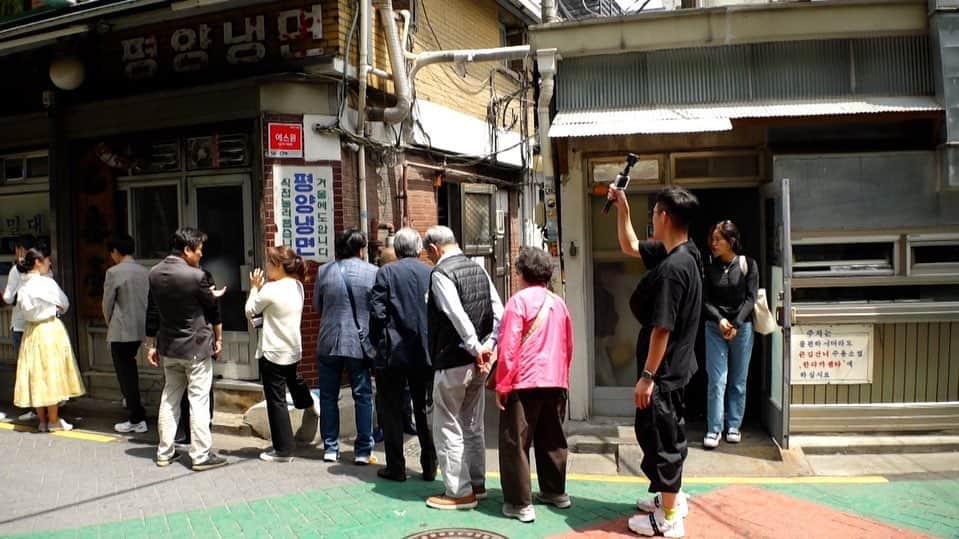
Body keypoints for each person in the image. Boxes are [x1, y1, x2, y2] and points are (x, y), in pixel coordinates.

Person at [607, 186, 702, 537]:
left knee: (661, 439)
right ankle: (669, 499)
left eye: (653, 214)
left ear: (663, 216)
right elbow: (630, 246)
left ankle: (669, 518)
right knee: (666, 434)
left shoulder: (673, 269)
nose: (650, 221)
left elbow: (662, 328)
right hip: (675, 369)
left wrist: (647, 376)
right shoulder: (683, 253)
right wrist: (623, 209)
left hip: (663, 373)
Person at [423, 225, 503, 511]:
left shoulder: (441, 274)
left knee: (447, 424)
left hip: (454, 359)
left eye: (428, 253)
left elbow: (455, 313)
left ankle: (458, 492)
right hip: (480, 362)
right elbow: (499, 311)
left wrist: (475, 346)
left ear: (434, 249)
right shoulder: (478, 269)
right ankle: (477, 483)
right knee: (472, 423)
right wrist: (489, 346)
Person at [494, 247, 574, 523]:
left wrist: (502, 385)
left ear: (521, 273)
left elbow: (508, 349)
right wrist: (563, 377)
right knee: (552, 437)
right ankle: (555, 492)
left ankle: (520, 503)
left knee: (515, 442)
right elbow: (568, 345)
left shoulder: (517, 303)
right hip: (555, 380)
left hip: (523, 382)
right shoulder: (558, 303)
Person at [146, 227, 227, 471]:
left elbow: (151, 311)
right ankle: (201, 455)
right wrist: (219, 338)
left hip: (169, 347)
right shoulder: (196, 276)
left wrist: (150, 344)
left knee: (170, 398)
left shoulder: (154, 273)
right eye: (199, 250)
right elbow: (212, 310)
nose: (201, 254)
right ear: (186, 250)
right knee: (198, 400)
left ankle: (164, 451)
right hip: (195, 347)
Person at [369, 228, 437, 482]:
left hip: (393, 351)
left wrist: (377, 341)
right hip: (424, 350)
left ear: (396, 250)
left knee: (391, 408)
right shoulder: (431, 273)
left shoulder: (386, 272)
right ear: (420, 249)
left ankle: (396, 466)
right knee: (424, 408)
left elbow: (376, 313)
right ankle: (429, 465)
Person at [245, 245, 318, 463]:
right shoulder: (297, 286)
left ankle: (283, 450)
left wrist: (254, 288)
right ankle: (310, 405)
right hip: (292, 347)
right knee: (294, 379)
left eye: (269, 262)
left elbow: (250, 310)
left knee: (275, 400)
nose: (266, 266)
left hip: (272, 350)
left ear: (278, 265)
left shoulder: (270, 289)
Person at [313, 228, 378, 464]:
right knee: (362, 395)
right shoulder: (373, 272)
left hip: (328, 340)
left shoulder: (324, 271)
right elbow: (377, 309)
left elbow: (317, 306)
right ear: (361, 250)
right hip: (359, 343)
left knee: (328, 396)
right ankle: (363, 450)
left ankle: (330, 447)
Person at [13, 246, 86, 432]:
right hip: (50, 328)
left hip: (31, 331)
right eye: (47, 260)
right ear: (38, 262)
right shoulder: (47, 284)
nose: (49, 263)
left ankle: (43, 420)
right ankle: (54, 420)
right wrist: (56, 309)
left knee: (36, 374)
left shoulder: (23, 286)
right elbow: (65, 303)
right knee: (52, 373)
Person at [702, 220, 758, 449]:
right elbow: (704, 300)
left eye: (718, 239)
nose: (713, 244)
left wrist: (734, 323)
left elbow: (751, 299)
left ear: (731, 241)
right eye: (712, 239)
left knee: (738, 380)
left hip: (741, 328)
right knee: (717, 380)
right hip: (715, 328)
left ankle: (733, 424)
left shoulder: (748, 264)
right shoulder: (709, 266)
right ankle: (714, 429)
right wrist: (721, 320)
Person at [102, 234, 150, 434]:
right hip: (141, 328)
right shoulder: (144, 271)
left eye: (112, 252)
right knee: (129, 369)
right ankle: (132, 405)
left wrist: (109, 323)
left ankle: (136, 416)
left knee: (125, 374)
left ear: (116, 252)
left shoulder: (113, 272)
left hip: (121, 330)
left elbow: (107, 303)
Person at [175, 267, 223, 447]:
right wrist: (219, 339)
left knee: (187, 392)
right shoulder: (202, 280)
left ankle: (191, 435)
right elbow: (216, 313)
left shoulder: (176, 281)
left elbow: (215, 313)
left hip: (186, 344)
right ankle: (196, 435)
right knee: (200, 392)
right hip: (199, 343)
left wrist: (218, 340)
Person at [3, 235, 35, 421]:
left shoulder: (17, 269)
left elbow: (8, 297)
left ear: (20, 249)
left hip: (21, 324)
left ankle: (31, 406)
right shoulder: (44, 265)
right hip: (41, 326)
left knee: (25, 367)